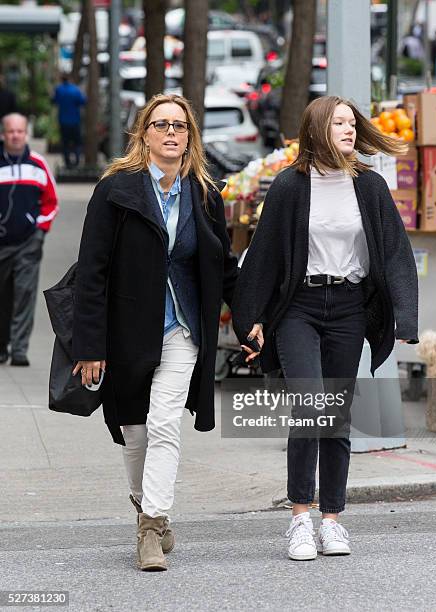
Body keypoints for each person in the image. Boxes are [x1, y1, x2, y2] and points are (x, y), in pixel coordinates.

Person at [231, 96, 418, 561]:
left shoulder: (369, 186)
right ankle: (299, 518)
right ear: (317, 129)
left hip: (350, 307)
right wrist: (250, 318)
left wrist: (406, 316)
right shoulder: (290, 187)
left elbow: (394, 250)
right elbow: (265, 255)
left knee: (335, 415)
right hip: (300, 307)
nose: (350, 131)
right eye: (339, 123)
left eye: (352, 124)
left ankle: (332, 520)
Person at [71, 93, 239, 571]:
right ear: (143, 133)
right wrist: (90, 344)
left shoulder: (205, 194)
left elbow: (224, 268)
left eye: (180, 127)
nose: (171, 133)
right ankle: (152, 510)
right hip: (127, 332)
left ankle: (149, 528)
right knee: (135, 432)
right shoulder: (115, 191)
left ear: (190, 137)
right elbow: (93, 272)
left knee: (165, 423)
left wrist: (251, 321)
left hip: (182, 329)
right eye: (161, 124)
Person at [0, 113, 58, 366]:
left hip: (27, 243)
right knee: (3, 297)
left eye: (20, 131)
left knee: (24, 294)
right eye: (10, 131)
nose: (15, 135)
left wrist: (39, 232)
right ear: (3, 134)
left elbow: (51, 202)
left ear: (26, 134)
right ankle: (2, 347)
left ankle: (20, 349)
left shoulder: (38, 164)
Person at [52, 74, 86, 169]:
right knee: (77, 142)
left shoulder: (59, 89)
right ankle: (77, 161)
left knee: (65, 143)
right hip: (75, 120)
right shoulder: (75, 90)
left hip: (63, 121)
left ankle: (67, 162)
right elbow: (83, 101)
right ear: (70, 79)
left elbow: (54, 101)